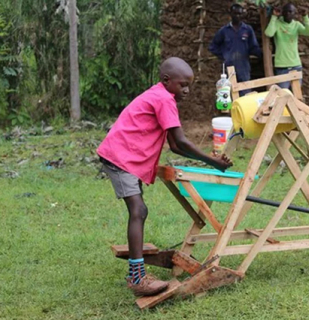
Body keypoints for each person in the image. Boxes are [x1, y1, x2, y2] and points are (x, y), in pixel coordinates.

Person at [96, 57, 233, 297]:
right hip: (120, 156)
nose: (187, 90)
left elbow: (175, 146)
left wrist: (210, 162)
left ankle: (136, 271)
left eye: (189, 85)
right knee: (138, 210)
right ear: (167, 81)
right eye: (183, 85)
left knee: (140, 210)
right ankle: (137, 277)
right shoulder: (164, 99)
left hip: (124, 155)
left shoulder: (160, 95)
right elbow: (180, 141)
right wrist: (214, 163)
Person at [209, 3, 262, 96]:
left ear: (242, 15)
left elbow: (253, 47)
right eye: (235, 14)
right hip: (229, 67)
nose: (237, 16)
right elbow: (213, 46)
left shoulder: (247, 30)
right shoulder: (224, 31)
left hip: (243, 67)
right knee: (229, 94)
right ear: (230, 14)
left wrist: (262, 55)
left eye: (239, 14)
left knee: (245, 94)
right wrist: (224, 55)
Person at [265, 3, 309, 89]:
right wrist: (274, 17)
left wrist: (305, 17)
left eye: (291, 12)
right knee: (283, 95)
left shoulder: (296, 25)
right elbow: (268, 33)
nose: (288, 14)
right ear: (282, 13)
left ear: (295, 14)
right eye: (286, 11)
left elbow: (308, 32)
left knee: (296, 95)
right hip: (282, 66)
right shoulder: (277, 23)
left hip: (296, 65)